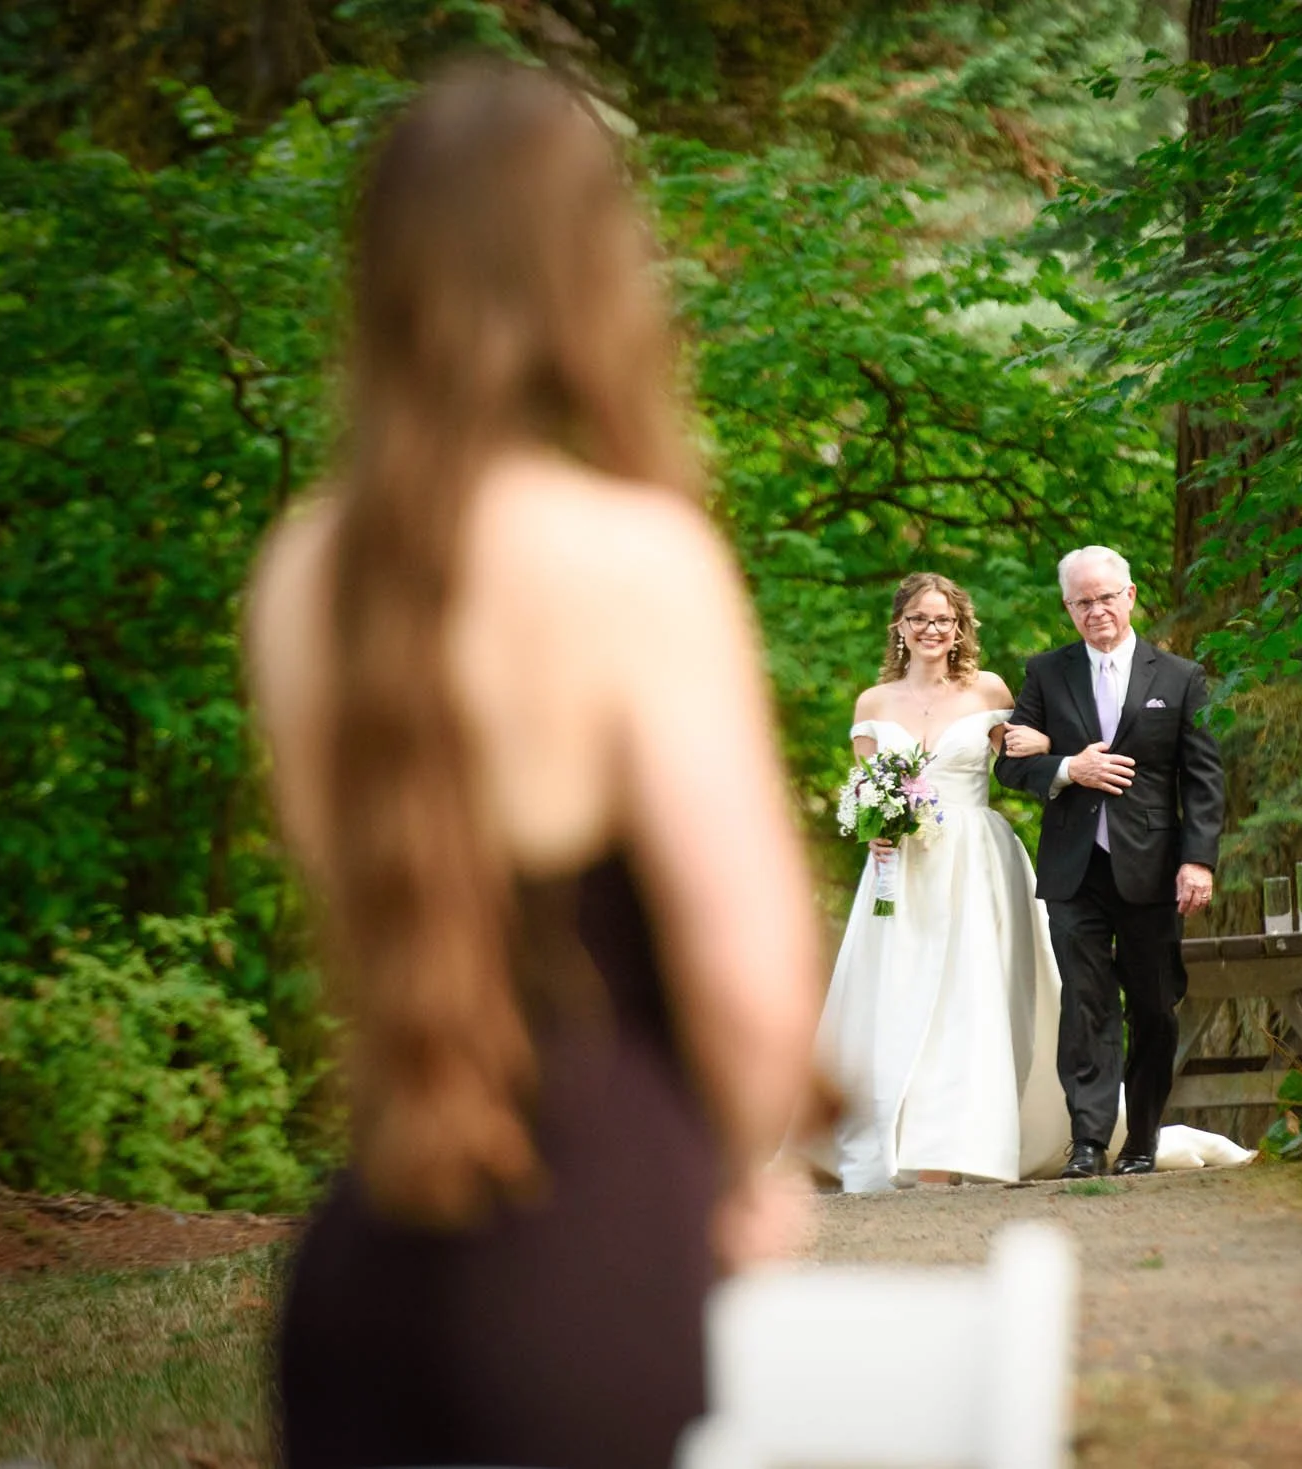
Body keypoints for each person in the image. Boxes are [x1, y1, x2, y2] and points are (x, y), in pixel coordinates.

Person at [245, 63, 818, 1469]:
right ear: (590, 272)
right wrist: (748, 1176)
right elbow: (753, 993)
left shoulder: (302, 573)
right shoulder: (634, 558)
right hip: (594, 1253)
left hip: (365, 1262)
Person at [806, 572, 1079, 1191]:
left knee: (969, 1000)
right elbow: (866, 791)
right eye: (919, 619)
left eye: (944, 620)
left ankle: (955, 1149)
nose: (932, 630)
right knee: (894, 998)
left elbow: (1019, 761)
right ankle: (888, 1145)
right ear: (899, 627)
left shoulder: (987, 690)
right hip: (901, 870)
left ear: (960, 629)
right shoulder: (874, 705)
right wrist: (874, 826)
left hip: (974, 864)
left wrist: (1046, 743)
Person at [995, 546, 1226, 1178]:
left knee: (1154, 1005)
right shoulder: (1045, 673)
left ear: (1128, 596)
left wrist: (1197, 861)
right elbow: (1011, 763)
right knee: (1087, 1000)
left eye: (1105, 597)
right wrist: (1070, 766)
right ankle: (1090, 1141)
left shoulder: (1180, 677)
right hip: (1075, 869)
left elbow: (1202, 779)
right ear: (1067, 608)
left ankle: (1144, 1137)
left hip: (1153, 868)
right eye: (1081, 601)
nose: (1095, 610)